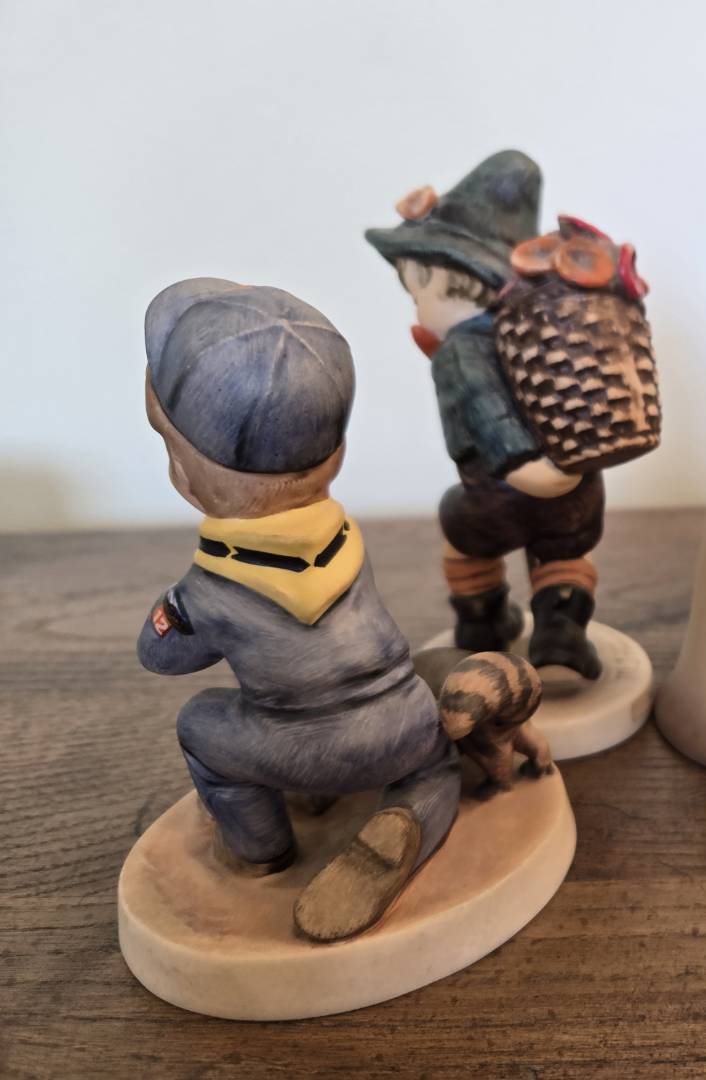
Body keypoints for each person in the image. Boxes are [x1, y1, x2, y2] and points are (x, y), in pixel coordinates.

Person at [136, 277, 460, 942]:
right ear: (335, 453)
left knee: (200, 723)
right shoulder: (345, 539)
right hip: (402, 719)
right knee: (435, 761)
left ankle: (260, 849)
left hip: (300, 746)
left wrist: (168, 611)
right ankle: (414, 808)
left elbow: (159, 655)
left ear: (186, 471)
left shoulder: (208, 589)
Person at [365, 151, 605, 678]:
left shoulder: (460, 353)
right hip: (577, 488)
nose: (417, 310)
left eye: (417, 293)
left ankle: (483, 621)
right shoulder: (545, 330)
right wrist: (567, 473)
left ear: (449, 281)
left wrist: (529, 472)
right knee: (562, 551)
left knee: (462, 539)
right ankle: (561, 630)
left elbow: (489, 422)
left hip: (497, 493)